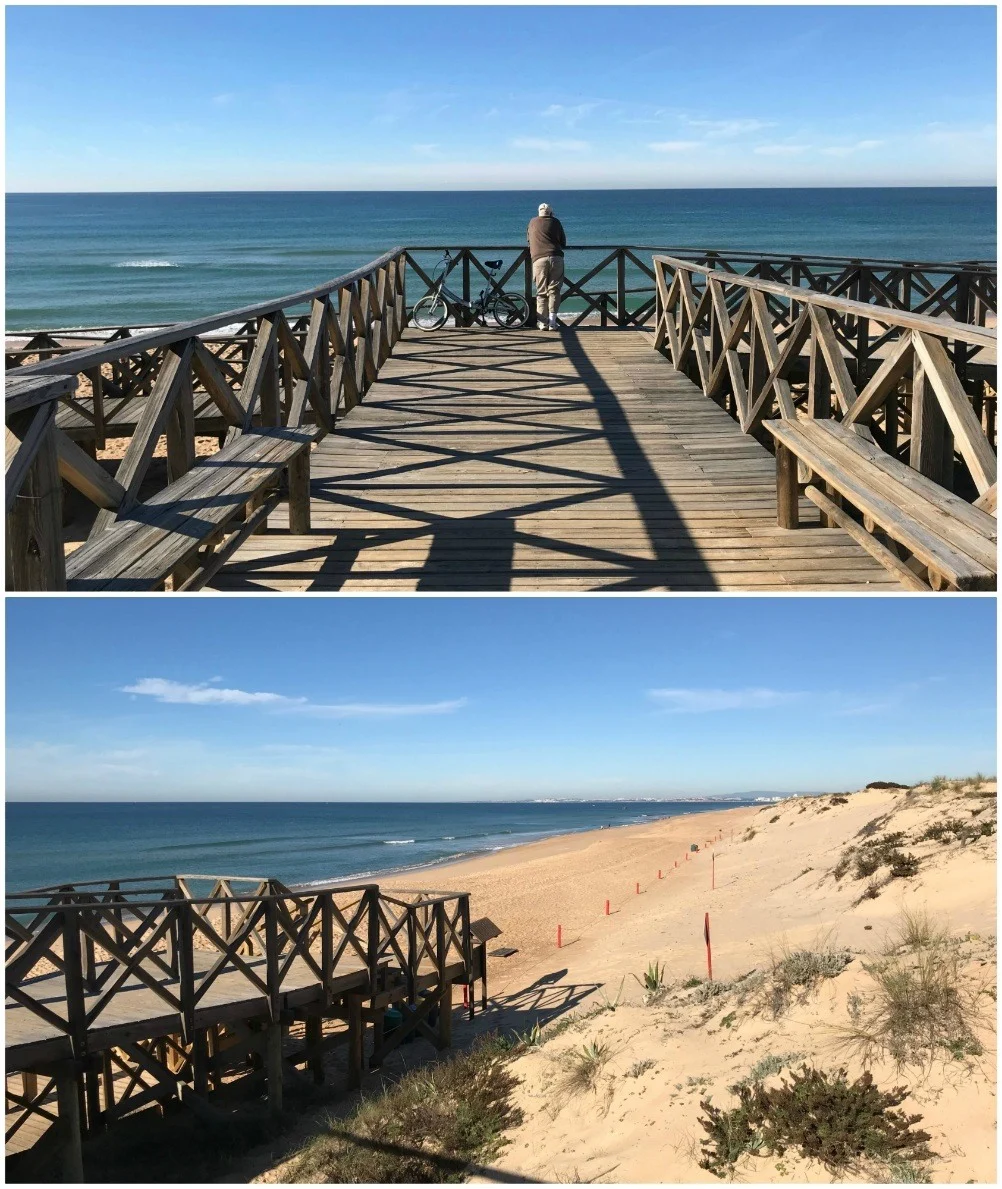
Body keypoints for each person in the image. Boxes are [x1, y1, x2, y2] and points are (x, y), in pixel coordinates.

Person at [526, 202, 567, 330]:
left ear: (539, 212)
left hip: (539, 259)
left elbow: (528, 240)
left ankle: (543, 323)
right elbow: (563, 242)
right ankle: (553, 322)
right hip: (556, 257)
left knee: (541, 291)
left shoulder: (532, 222)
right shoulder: (556, 222)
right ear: (550, 213)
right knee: (554, 290)